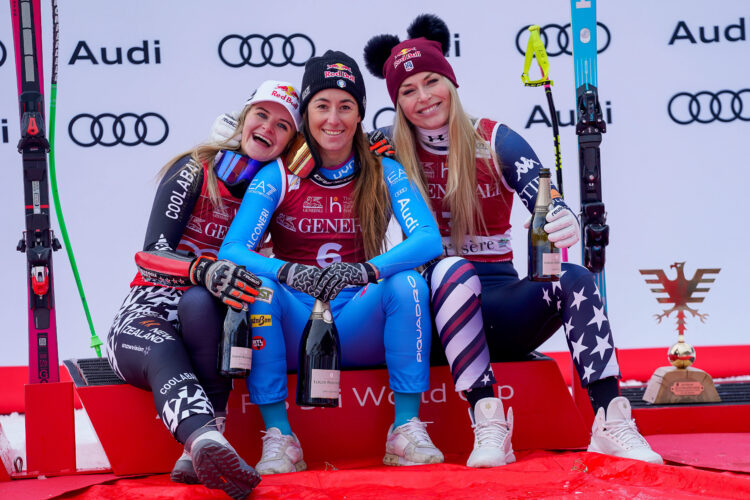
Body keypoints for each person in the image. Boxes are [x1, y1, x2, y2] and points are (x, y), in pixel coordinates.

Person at [363, 14, 663, 467]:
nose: (423, 97)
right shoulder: (383, 146)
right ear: (396, 101)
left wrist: (563, 215)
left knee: (574, 276)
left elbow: (546, 198)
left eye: (431, 81)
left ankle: (611, 420)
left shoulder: (494, 138)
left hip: (503, 308)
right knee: (450, 268)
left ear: (451, 82)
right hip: (429, 323)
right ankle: (488, 421)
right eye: (408, 90)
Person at [218, 50, 444, 475]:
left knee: (408, 284)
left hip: (357, 318)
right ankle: (280, 437)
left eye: (346, 106)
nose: (334, 119)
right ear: (306, 114)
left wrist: (366, 270)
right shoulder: (279, 173)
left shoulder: (381, 166)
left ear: (360, 114)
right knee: (260, 289)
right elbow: (232, 251)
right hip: (297, 323)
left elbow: (428, 239)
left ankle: (405, 429)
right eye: (322, 106)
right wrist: (286, 271)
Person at [106, 80, 301, 498]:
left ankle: (205, 443)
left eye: (283, 125)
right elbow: (151, 253)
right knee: (165, 346)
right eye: (261, 115)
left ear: (291, 142)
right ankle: (208, 439)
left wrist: (379, 148)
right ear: (244, 118)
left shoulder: (280, 190)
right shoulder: (197, 167)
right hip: (149, 309)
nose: (267, 128)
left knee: (201, 304)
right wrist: (204, 270)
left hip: (215, 319)